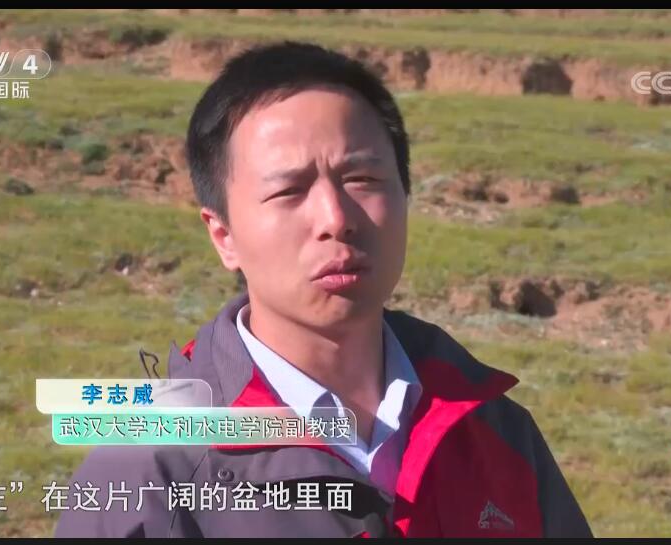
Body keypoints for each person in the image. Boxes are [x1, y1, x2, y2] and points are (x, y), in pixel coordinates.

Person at [55, 41, 592, 538]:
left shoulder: (494, 429)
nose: (336, 219)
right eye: (289, 190)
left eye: (362, 180)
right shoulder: (147, 469)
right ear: (224, 236)